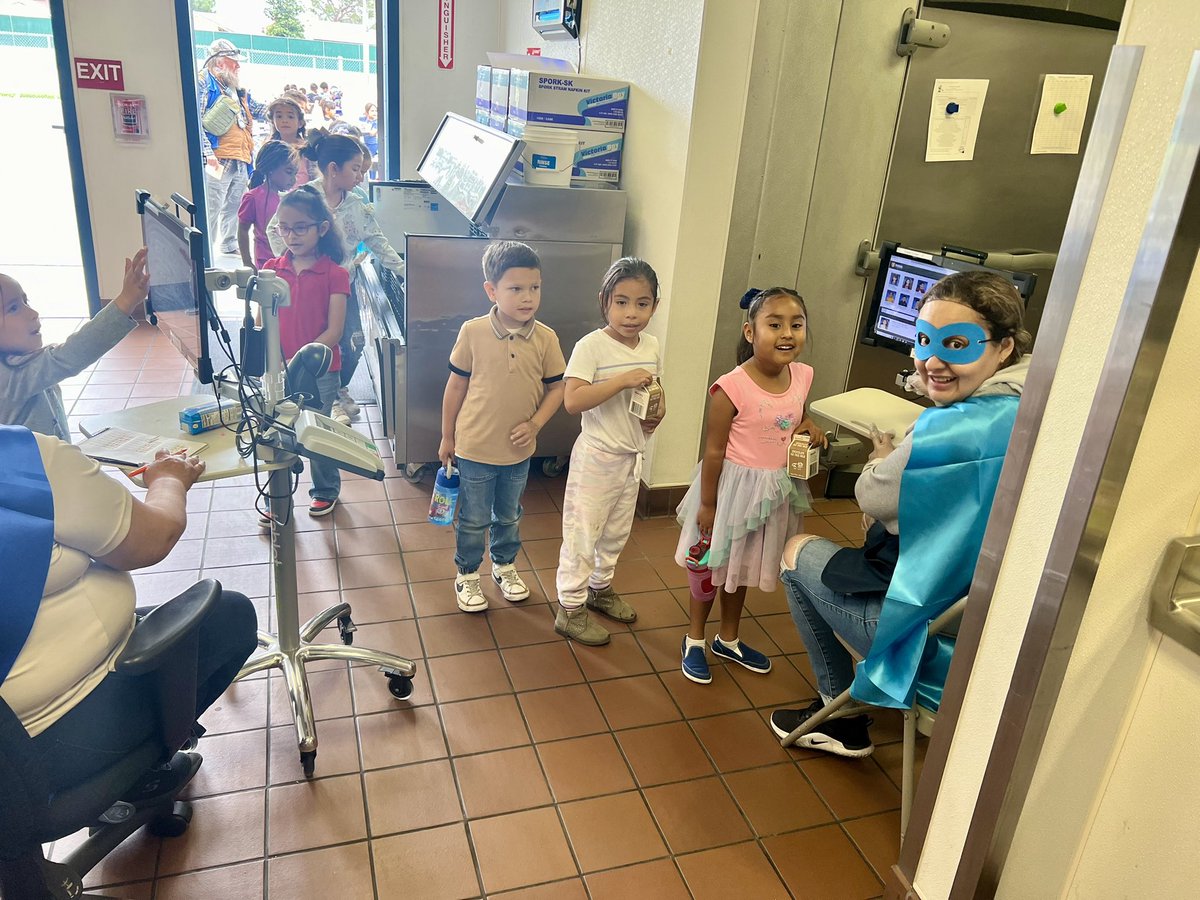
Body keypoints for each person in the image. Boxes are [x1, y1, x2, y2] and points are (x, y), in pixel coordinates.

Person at [769, 271, 1032, 756]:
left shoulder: (945, 434)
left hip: (926, 637)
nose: (932, 361)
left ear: (1003, 348)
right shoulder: (1034, 404)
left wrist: (882, 458)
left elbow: (873, 496)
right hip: (996, 629)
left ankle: (838, 714)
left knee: (795, 551)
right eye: (924, 341)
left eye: (957, 344)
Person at [0, 426, 257, 796]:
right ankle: (140, 775)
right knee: (230, 616)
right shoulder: (19, 459)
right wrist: (169, 480)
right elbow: (153, 537)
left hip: (17, 736)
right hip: (51, 736)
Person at [674, 288, 826, 684]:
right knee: (709, 564)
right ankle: (695, 639)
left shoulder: (803, 375)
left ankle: (728, 638)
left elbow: (793, 416)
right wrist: (708, 505)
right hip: (730, 492)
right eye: (774, 324)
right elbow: (714, 451)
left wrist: (809, 425)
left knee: (740, 566)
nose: (787, 333)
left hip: (773, 493)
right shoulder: (731, 387)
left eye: (796, 324)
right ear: (750, 332)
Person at [438, 241, 566, 613]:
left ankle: (504, 565)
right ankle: (467, 573)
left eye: (535, 287)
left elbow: (557, 388)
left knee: (509, 514)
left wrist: (535, 424)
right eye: (516, 288)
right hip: (475, 447)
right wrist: (447, 436)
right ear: (491, 290)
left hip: (518, 452)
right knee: (474, 518)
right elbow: (455, 386)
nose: (528, 297)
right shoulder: (473, 332)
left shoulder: (546, 338)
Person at [554, 258, 665, 645]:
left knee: (616, 533)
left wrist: (657, 413)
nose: (631, 313)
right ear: (604, 301)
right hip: (597, 458)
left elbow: (653, 388)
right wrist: (620, 381)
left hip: (631, 457)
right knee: (583, 535)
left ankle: (599, 589)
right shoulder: (591, 347)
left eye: (642, 303)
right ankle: (570, 608)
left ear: (655, 305)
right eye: (621, 302)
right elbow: (573, 401)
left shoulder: (651, 345)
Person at [268, 130, 403, 423]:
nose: (360, 177)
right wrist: (294, 260)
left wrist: (405, 271)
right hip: (304, 286)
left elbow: (377, 240)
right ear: (333, 169)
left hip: (341, 287)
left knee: (351, 343)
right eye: (355, 169)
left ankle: (336, 391)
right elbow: (274, 229)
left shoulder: (357, 204)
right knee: (303, 338)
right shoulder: (303, 198)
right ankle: (310, 389)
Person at [261, 185, 350, 517]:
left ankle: (325, 490)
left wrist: (300, 361)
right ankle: (276, 499)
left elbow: (334, 331)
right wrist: (270, 361)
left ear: (321, 228)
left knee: (316, 431)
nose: (291, 236)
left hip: (320, 371)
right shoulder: (271, 270)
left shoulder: (335, 274)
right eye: (284, 228)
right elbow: (262, 323)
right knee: (277, 434)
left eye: (300, 228)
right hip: (277, 369)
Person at [0, 250, 149, 440]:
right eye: (13, 308)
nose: (33, 313)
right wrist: (126, 301)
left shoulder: (20, 364)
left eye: (25, 301)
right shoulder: (9, 378)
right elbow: (71, 354)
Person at [197, 38, 266, 256]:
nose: (237, 66)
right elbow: (196, 121)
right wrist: (208, 153)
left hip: (241, 157)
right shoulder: (203, 82)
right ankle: (205, 250)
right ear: (218, 61)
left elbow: (259, 109)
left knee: (235, 204)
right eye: (232, 61)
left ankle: (229, 243)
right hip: (217, 157)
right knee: (212, 204)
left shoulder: (235, 89)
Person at [237, 141, 298, 270]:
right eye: (288, 172)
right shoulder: (253, 198)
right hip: (266, 266)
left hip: (289, 263)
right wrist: (247, 262)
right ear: (271, 169)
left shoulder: (292, 198)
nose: (294, 179)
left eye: (295, 173)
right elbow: (243, 230)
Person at [267, 95, 313, 186]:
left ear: (300, 123)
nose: (284, 120)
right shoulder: (269, 148)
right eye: (279, 116)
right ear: (273, 121)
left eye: (290, 117)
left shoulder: (307, 148)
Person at [358, 103, 379, 176]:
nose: (374, 113)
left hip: (373, 145)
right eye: (372, 111)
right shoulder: (364, 119)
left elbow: (372, 133)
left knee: (371, 163)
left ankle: (372, 178)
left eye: (375, 111)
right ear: (367, 112)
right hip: (365, 144)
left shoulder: (376, 122)